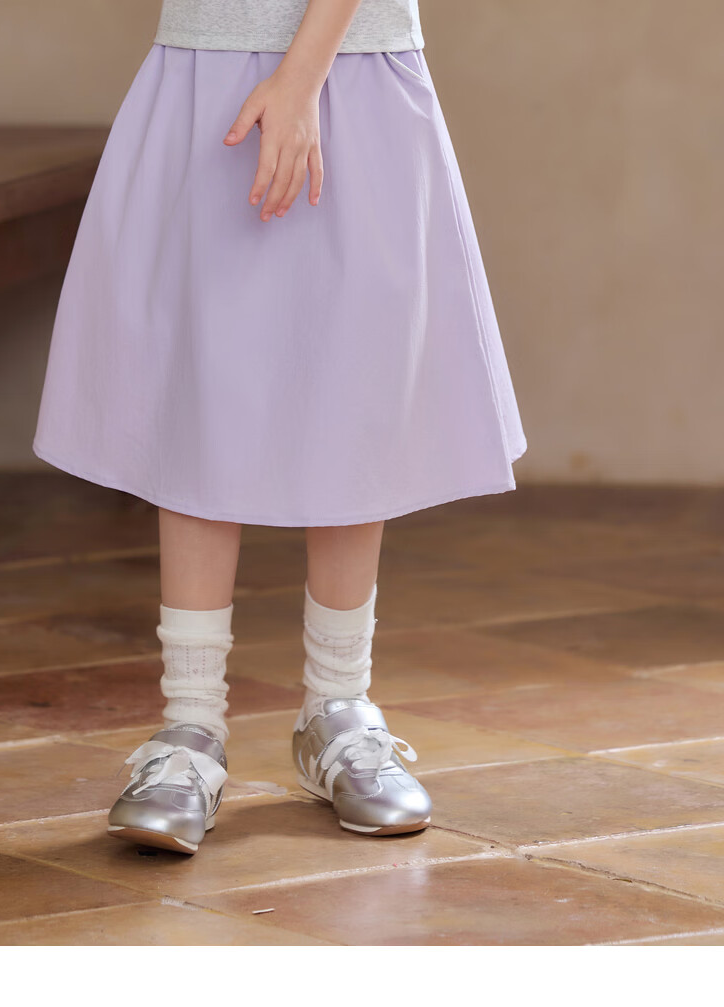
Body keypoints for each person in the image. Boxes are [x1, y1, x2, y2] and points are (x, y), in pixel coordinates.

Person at [32, 0, 527, 854]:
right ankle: (189, 729)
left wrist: (300, 81)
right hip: (203, 67)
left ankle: (338, 709)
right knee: (200, 388)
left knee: (352, 385)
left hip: (354, 75)